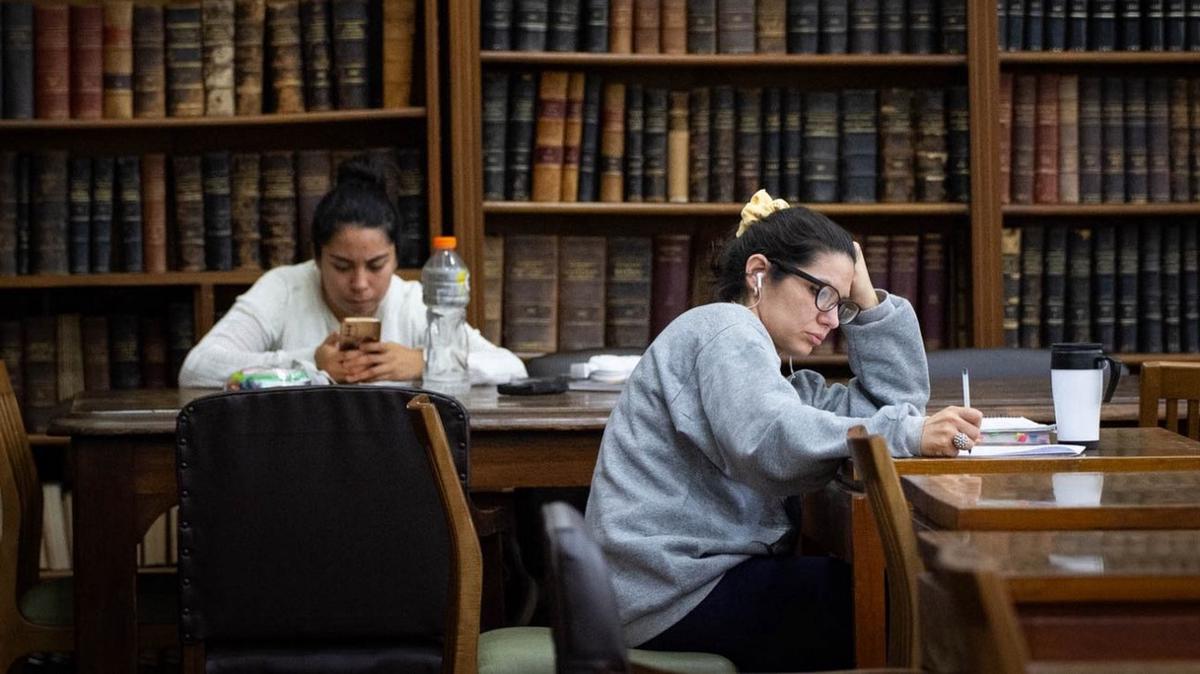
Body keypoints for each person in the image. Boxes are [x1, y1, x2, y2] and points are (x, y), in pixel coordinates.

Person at [584, 190, 983, 672]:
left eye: (841, 304)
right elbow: (771, 437)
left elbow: (896, 405)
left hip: (677, 586)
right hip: (667, 596)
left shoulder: (768, 370)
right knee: (896, 601)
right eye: (822, 294)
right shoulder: (725, 331)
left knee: (878, 594)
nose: (832, 319)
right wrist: (907, 434)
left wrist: (869, 298)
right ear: (759, 273)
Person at [179, 154, 526, 387]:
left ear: (395, 257)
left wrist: (425, 362)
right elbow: (196, 368)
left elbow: (512, 368)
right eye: (342, 266)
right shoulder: (283, 288)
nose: (360, 284)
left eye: (376, 265)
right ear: (316, 257)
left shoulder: (411, 301)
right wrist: (309, 363)